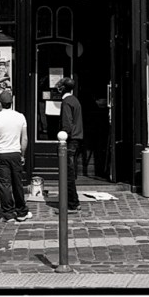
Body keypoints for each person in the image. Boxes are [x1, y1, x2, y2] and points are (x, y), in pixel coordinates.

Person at [0, 90, 31, 223]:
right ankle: (21, 212)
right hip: (15, 153)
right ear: (11, 103)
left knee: (5, 185)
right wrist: (22, 154)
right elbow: (24, 139)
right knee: (17, 183)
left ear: (0, 103)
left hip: (1, 153)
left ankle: (8, 214)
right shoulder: (20, 117)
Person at [56, 77, 83, 213]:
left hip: (69, 140)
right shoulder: (75, 100)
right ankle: (72, 201)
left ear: (63, 88)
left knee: (67, 173)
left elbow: (67, 123)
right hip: (76, 139)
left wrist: (62, 137)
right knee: (70, 172)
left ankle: (72, 203)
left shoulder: (66, 102)